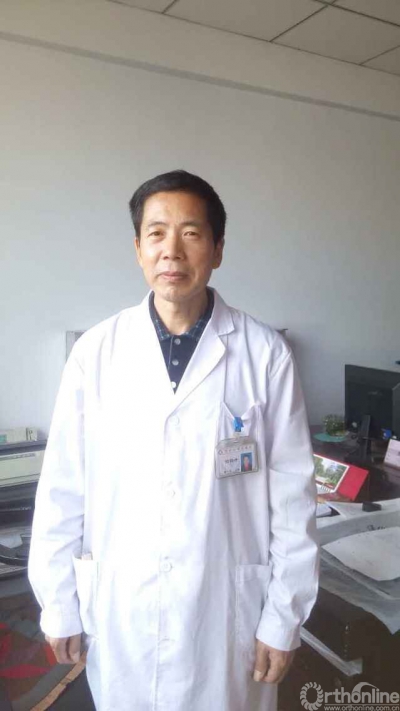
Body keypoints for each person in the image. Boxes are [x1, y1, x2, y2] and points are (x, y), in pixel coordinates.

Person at [28, 170, 319, 711]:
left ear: (218, 249)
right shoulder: (96, 353)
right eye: (157, 233)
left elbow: (293, 499)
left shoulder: (264, 355)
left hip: (227, 614)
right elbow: (63, 489)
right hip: (124, 608)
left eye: (191, 233)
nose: (172, 251)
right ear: (138, 249)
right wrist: (59, 601)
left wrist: (284, 617)